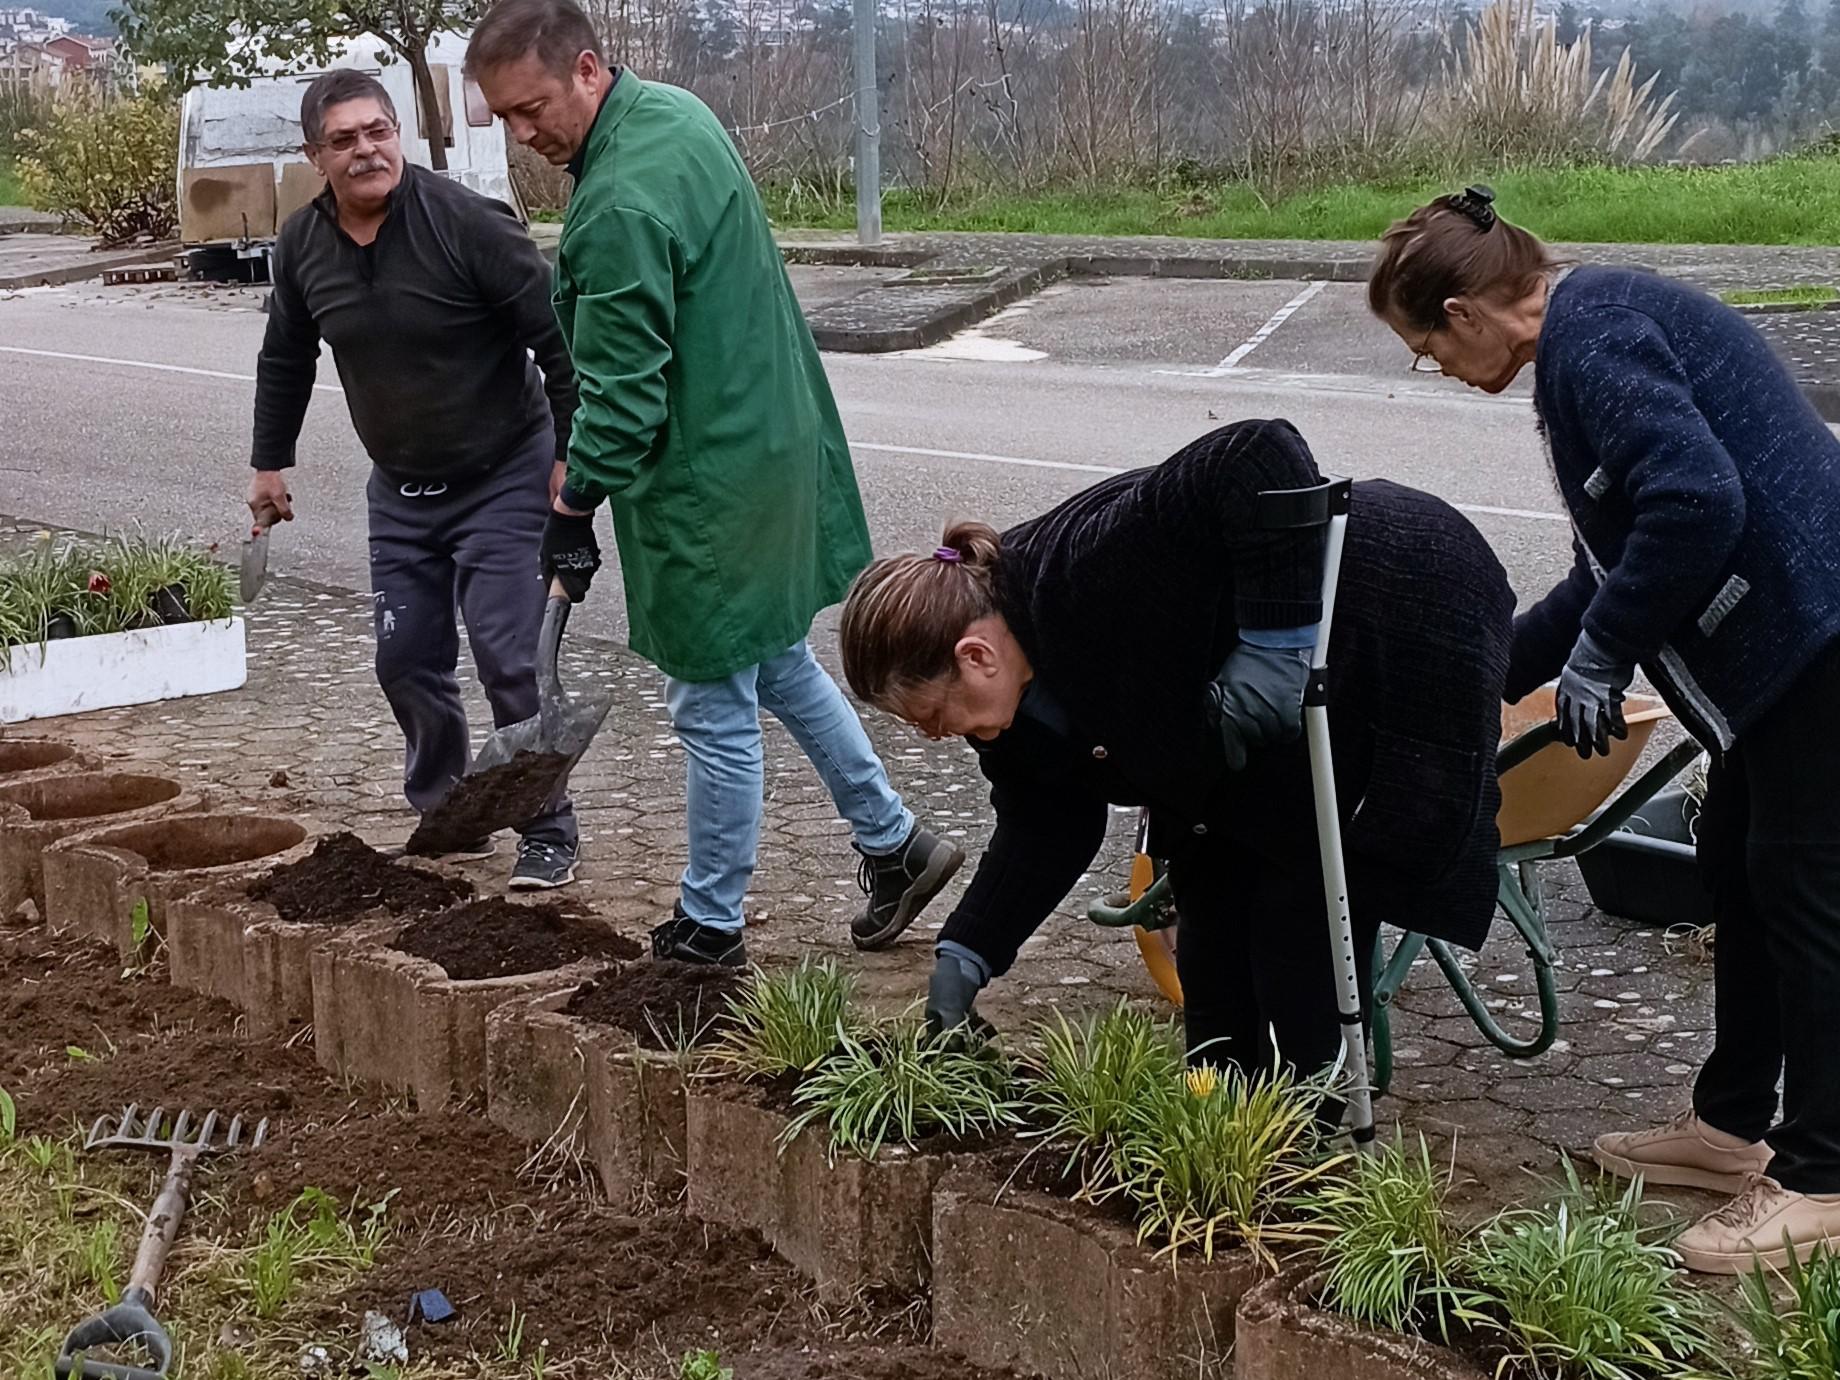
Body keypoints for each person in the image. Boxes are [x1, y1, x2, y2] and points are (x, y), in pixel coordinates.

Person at [1368, 185, 1840, 1273]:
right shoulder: (1588, 338)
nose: (1432, 366)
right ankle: (1730, 1130)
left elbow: (1695, 504)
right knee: (1737, 862)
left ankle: (1819, 1179)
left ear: (1469, 311)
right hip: (1789, 653)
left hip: (1818, 639)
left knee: (1806, 886)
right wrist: (1484, 676)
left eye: (1424, 345)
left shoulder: (1593, 339)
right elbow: (1609, 568)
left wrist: (1602, 653)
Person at [464, 0, 962, 966]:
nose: (526, 138)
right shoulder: (677, 115)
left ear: (588, 70)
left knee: (710, 704)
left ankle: (712, 921)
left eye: (533, 111)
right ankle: (895, 841)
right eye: (507, 120)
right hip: (769, 444)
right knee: (776, 658)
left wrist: (572, 506)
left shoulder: (616, 207)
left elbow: (624, 398)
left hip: (707, 484)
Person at [837, 419, 1513, 1085]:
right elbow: (1044, 824)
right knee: (1211, 948)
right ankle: (1222, 1121)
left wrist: (1276, 649)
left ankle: (1306, 1146)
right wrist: (966, 955)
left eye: (930, 716)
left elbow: (1258, 454)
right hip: (1242, 750)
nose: (936, 737)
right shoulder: (1009, 714)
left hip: (1397, 607)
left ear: (974, 655)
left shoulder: (1087, 564)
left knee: (1296, 928)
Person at [249, 69, 582, 889]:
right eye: (344, 139)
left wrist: (573, 457)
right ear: (314, 156)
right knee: (404, 660)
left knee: (509, 655)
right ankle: (447, 807)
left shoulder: (465, 224)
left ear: (397, 134)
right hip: (400, 488)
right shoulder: (302, 245)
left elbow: (559, 338)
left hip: (505, 471)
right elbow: (285, 356)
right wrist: (268, 463)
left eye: (378, 131)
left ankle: (548, 828)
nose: (366, 150)